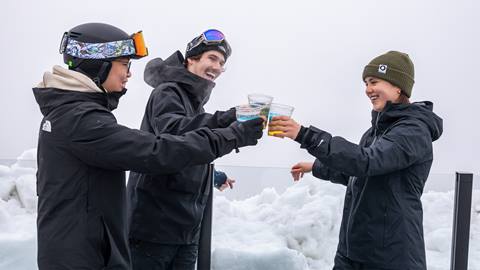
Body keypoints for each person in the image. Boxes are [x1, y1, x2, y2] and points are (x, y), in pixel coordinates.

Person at [33, 23, 263, 270]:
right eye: (124, 64)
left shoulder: (76, 115)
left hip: (98, 250)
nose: (129, 73)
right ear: (98, 64)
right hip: (100, 252)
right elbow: (159, 149)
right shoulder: (81, 120)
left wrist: (213, 174)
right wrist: (232, 133)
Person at [269, 51, 443, 269]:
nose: (368, 89)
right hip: (354, 252)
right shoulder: (377, 132)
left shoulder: (412, 131)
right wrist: (315, 167)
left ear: (398, 87)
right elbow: (357, 171)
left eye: (374, 82)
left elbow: (366, 161)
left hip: (390, 257)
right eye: (366, 83)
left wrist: (305, 135)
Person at [127, 29, 243, 270]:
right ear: (192, 58)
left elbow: (192, 149)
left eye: (222, 63)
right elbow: (174, 135)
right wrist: (227, 119)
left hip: (185, 230)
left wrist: (214, 176)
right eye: (212, 58)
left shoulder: (193, 104)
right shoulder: (168, 92)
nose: (218, 67)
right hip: (154, 229)